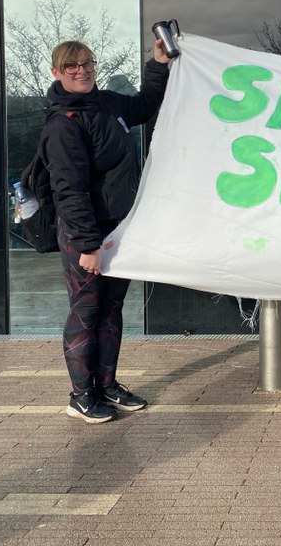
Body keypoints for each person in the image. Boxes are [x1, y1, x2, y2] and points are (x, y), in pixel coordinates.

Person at [42, 38, 171, 423]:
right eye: (71, 67)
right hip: (86, 234)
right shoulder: (63, 126)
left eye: (87, 63)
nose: (81, 71)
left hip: (117, 229)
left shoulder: (107, 103)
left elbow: (145, 105)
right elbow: (69, 190)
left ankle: (107, 385)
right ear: (56, 73)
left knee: (111, 308)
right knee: (85, 311)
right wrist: (87, 245)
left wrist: (159, 63)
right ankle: (81, 396)